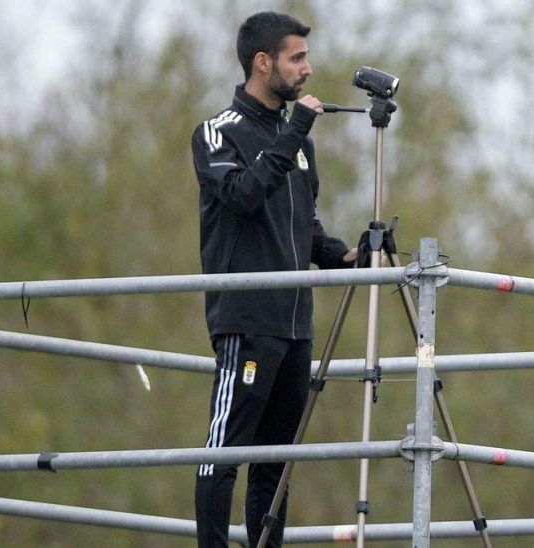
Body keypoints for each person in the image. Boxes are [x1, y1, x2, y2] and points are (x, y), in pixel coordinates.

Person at [189, 11, 357, 548]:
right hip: (246, 320)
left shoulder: (297, 142)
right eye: (297, 57)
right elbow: (242, 193)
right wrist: (294, 135)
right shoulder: (217, 133)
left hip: (295, 326)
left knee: (276, 463)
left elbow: (304, 232)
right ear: (263, 63)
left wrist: (350, 257)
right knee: (226, 452)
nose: (308, 69)